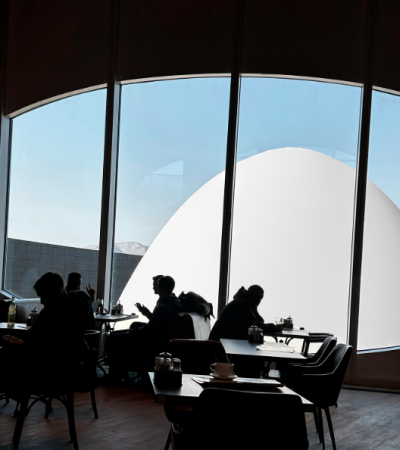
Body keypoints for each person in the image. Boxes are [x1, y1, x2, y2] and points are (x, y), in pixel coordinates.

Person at [0, 273, 90, 394]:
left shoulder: (51, 313)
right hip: (71, 368)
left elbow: (47, 347)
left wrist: (23, 345)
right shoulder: (78, 308)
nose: (42, 301)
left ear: (55, 292)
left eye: (43, 296)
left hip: (53, 372)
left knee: (7, 355)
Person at [107, 275, 184, 380]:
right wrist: (145, 318)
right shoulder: (171, 302)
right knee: (127, 329)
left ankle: (115, 375)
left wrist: (134, 331)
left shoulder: (164, 307)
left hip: (152, 342)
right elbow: (157, 324)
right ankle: (120, 372)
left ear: (161, 288)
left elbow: (150, 331)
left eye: (157, 286)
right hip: (158, 338)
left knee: (112, 338)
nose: (154, 288)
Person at [209, 285, 276, 341]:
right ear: (248, 294)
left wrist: (254, 308)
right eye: (256, 296)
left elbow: (259, 321)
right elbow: (254, 326)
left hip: (225, 341)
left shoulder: (244, 304)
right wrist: (273, 328)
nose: (258, 300)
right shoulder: (241, 305)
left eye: (260, 298)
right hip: (220, 344)